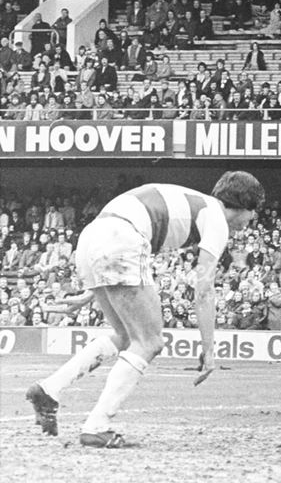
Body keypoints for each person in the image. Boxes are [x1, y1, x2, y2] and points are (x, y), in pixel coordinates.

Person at [26, 171, 265, 448]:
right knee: (150, 341)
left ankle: (49, 388)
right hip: (121, 237)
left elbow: (112, 233)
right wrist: (209, 350)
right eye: (252, 214)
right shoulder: (216, 217)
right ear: (245, 205)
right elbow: (204, 288)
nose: (249, 223)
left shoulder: (194, 202)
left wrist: (92, 292)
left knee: (126, 336)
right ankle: (97, 425)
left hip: (92, 238)